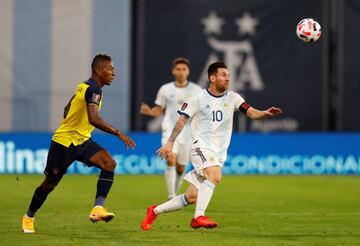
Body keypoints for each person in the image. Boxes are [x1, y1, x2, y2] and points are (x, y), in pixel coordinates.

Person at [141, 61, 282, 230]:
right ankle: (198, 217)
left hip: (218, 153)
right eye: (223, 75)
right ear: (212, 78)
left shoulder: (233, 98)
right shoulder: (198, 98)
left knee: (191, 196)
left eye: (228, 76)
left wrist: (265, 113)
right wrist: (170, 142)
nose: (227, 79)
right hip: (200, 146)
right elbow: (181, 120)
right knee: (215, 176)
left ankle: (154, 211)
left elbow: (251, 112)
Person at [22, 53, 136, 233]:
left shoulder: (86, 86)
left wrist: (73, 121)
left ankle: (98, 208)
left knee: (109, 163)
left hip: (82, 140)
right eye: (110, 69)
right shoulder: (93, 89)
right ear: (99, 70)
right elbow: (93, 119)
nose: (114, 73)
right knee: (50, 183)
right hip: (64, 143)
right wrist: (118, 133)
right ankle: (29, 217)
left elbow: (67, 107)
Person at [140, 57, 202, 199]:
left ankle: (175, 189)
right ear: (173, 71)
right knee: (170, 158)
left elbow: (201, 111)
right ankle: (171, 195)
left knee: (181, 168)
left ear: (188, 72)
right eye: (178, 69)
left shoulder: (196, 90)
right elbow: (158, 110)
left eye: (184, 69)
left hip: (188, 132)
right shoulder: (166, 89)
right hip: (169, 129)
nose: (181, 72)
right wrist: (149, 111)